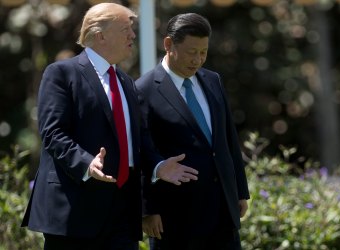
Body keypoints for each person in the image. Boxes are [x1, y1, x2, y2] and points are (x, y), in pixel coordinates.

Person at [21, 3, 198, 250]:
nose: (133, 36)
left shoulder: (126, 82)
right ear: (100, 34)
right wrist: (86, 163)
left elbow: (138, 138)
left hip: (122, 215)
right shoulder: (61, 73)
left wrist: (158, 166)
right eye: (126, 29)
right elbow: (52, 133)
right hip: (74, 213)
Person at [135, 13, 250, 250]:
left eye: (203, 52)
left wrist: (239, 190)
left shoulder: (213, 80)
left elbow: (227, 138)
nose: (197, 60)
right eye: (191, 52)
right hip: (175, 217)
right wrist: (148, 209)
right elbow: (141, 151)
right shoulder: (143, 89)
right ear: (168, 45)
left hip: (222, 210)